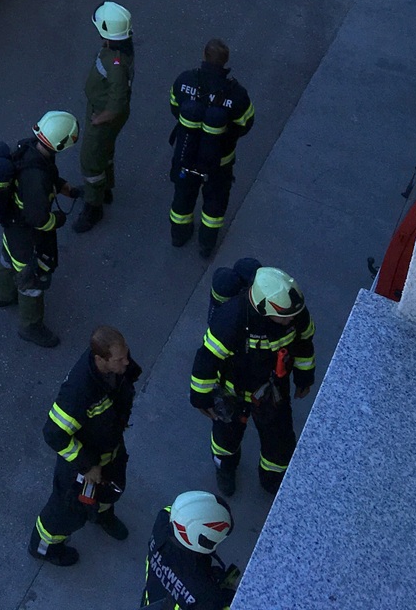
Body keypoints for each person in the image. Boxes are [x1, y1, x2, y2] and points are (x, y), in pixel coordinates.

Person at [190, 264, 315, 496]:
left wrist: (304, 376)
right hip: (232, 392)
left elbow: (304, 344)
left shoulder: (294, 313)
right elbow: (207, 360)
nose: (292, 319)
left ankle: (272, 480)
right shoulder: (231, 319)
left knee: (279, 442)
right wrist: (201, 398)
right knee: (225, 440)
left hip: (272, 391)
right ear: (264, 307)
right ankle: (225, 470)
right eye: (285, 315)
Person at [28, 324, 142, 566]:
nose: (127, 362)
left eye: (126, 354)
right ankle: (44, 547)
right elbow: (53, 433)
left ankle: (102, 515)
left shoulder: (114, 368)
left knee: (112, 489)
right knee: (67, 511)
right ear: (100, 359)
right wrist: (87, 465)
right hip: (82, 466)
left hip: (110, 450)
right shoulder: (79, 391)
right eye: (120, 359)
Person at [0, 110, 80, 347]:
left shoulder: (29, 148)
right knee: (33, 278)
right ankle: (30, 326)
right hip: (28, 234)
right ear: (60, 144)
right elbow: (39, 219)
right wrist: (58, 220)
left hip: (12, 224)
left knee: (8, 258)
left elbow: (45, 177)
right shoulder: (37, 176)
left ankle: (4, 295)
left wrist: (63, 187)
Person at [169, 39, 255, 259]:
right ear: (226, 61)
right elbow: (246, 124)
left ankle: (179, 235)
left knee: (183, 197)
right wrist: (223, 136)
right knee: (214, 204)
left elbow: (175, 106)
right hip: (219, 161)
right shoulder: (236, 94)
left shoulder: (185, 80)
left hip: (186, 155)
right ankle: (206, 245)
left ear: (204, 55)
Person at [74, 2, 133, 233]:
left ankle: (93, 206)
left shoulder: (116, 62)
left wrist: (100, 119)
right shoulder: (118, 50)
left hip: (103, 115)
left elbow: (117, 101)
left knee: (90, 160)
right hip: (102, 111)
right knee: (104, 152)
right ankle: (105, 189)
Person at [142, 491, 239, 609]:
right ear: (205, 542)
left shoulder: (162, 520)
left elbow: (180, 510)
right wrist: (227, 595)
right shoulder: (205, 594)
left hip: (150, 601)